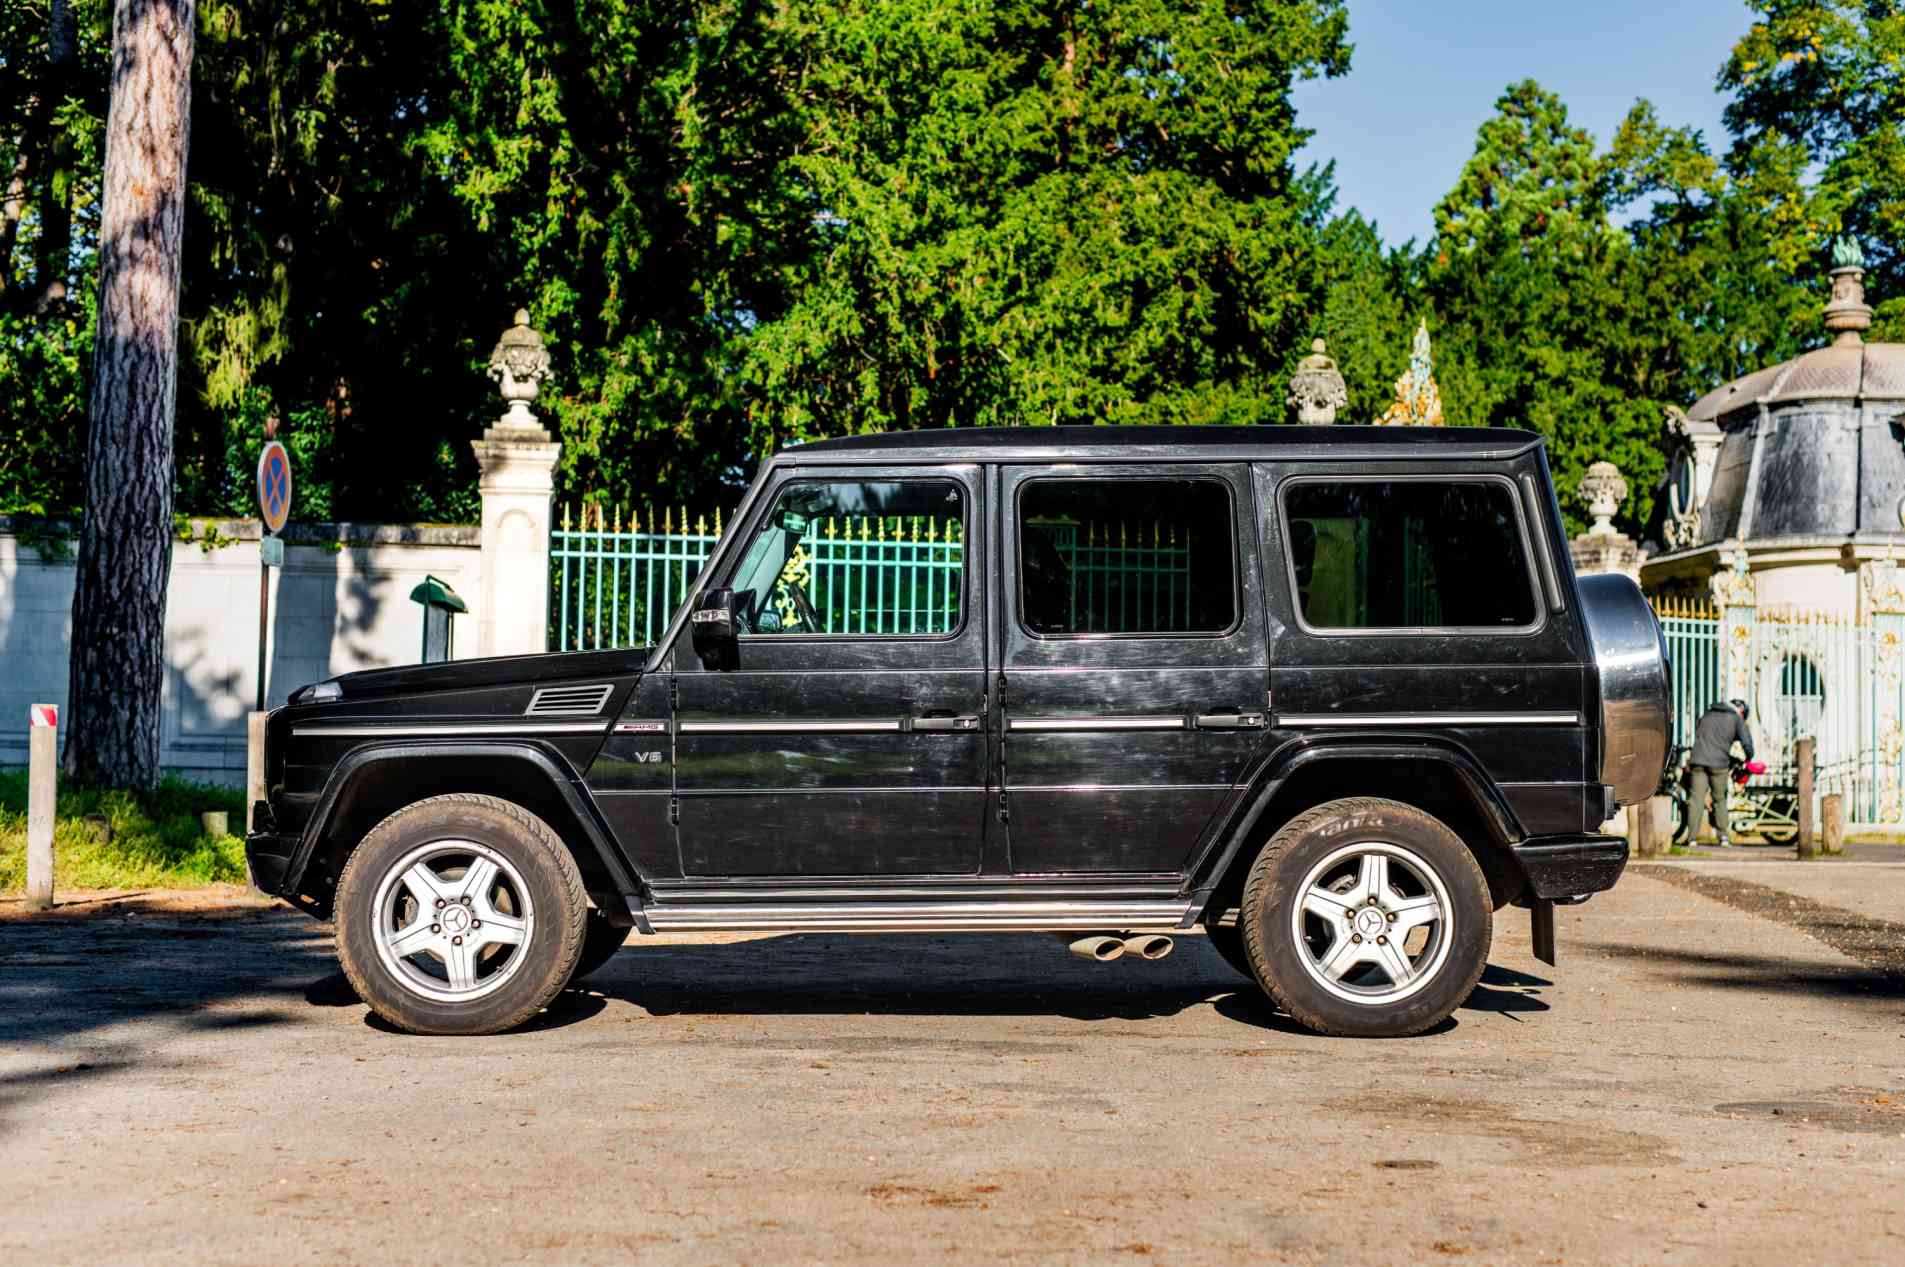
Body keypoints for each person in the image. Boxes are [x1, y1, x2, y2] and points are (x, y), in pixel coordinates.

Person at [1686, 698, 1754, 846]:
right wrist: (1749, 757)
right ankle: (1723, 837)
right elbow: (1746, 742)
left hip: (1698, 760)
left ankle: (1691, 838)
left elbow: (1701, 733)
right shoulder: (1735, 718)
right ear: (1741, 711)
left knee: (1696, 799)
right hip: (1719, 764)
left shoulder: (1708, 714)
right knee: (1719, 799)